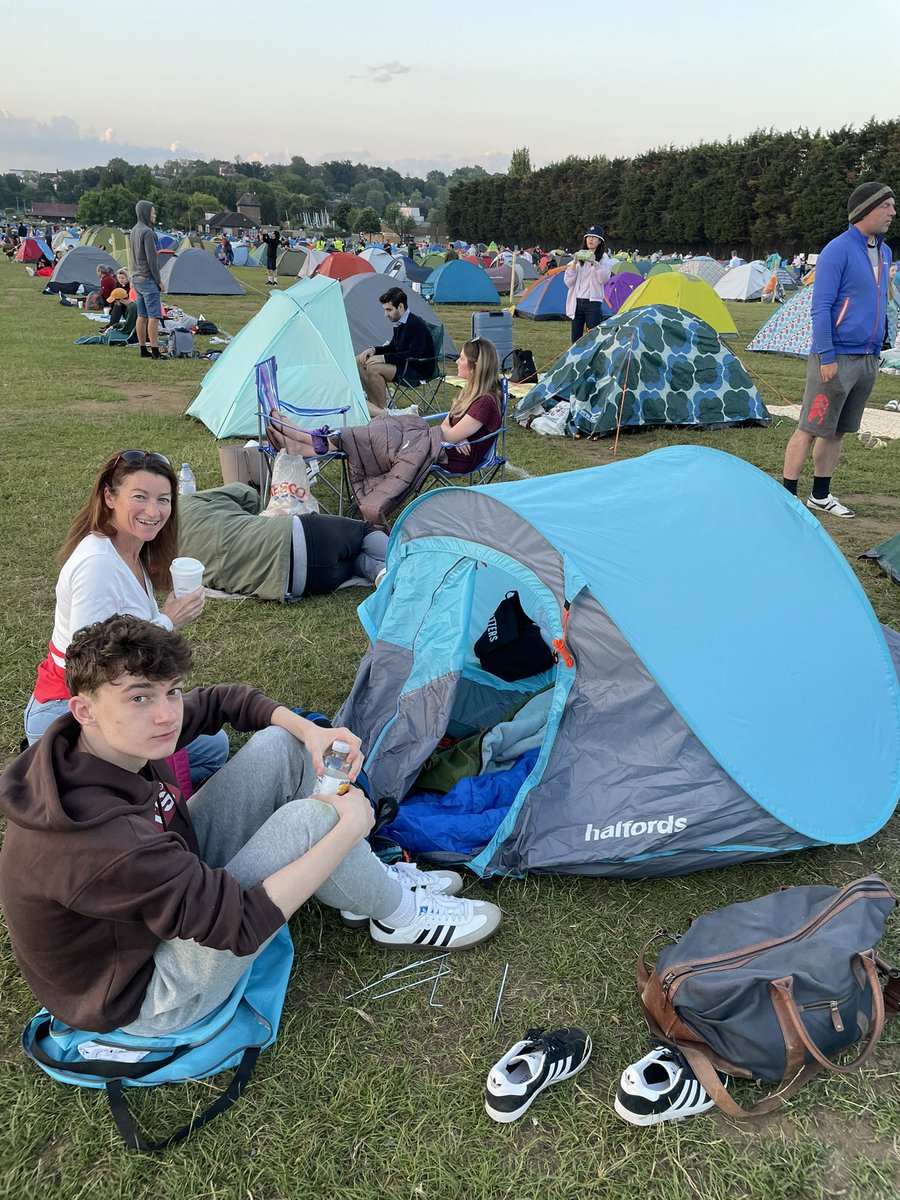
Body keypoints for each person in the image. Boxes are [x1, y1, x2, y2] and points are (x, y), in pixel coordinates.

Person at [0, 614, 502, 1038]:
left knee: (280, 747)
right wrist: (346, 829)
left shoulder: (90, 743)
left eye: (170, 692)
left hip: (164, 892)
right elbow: (238, 925)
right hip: (147, 994)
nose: (165, 716)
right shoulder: (100, 840)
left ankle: (363, 886)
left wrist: (311, 731)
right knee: (315, 818)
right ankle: (399, 914)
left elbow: (223, 700)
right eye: (138, 698)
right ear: (83, 709)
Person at [23, 450, 228, 787]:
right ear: (109, 497)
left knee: (213, 747)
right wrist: (168, 621)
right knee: (149, 769)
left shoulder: (131, 550)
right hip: (74, 708)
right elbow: (90, 663)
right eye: (140, 497)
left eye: (163, 499)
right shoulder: (98, 566)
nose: (153, 511)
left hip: (123, 693)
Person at [782, 182, 895, 517]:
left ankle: (820, 494)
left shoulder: (885, 251)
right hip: (835, 357)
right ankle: (786, 498)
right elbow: (821, 306)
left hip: (868, 356)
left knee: (839, 430)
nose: (892, 212)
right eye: (886, 205)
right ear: (865, 210)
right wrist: (826, 355)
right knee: (811, 426)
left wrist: (880, 343)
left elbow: (881, 299)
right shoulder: (837, 249)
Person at [179, 483, 389, 599]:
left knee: (353, 562)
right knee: (364, 530)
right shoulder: (187, 501)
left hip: (299, 583)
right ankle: (406, 562)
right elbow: (247, 493)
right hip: (297, 535)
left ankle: (381, 573)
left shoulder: (163, 557)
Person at [355, 286, 435, 416]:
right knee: (360, 361)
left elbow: (414, 354)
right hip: (405, 364)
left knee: (374, 368)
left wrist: (384, 358)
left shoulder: (416, 324)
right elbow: (393, 347)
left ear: (401, 307)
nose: (385, 314)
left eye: (389, 310)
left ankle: (384, 411)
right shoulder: (400, 322)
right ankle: (376, 406)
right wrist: (373, 350)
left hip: (418, 368)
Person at [128, 199, 165, 359]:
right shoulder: (147, 232)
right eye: (153, 211)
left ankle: (143, 348)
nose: (155, 215)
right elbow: (152, 260)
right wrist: (159, 281)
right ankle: (156, 350)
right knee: (154, 316)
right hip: (148, 279)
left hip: (136, 278)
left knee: (141, 315)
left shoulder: (134, 230)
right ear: (145, 213)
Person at [564, 225, 613, 343]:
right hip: (577, 301)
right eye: (588, 237)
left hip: (593, 302)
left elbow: (604, 278)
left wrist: (595, 264)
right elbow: (568, 281)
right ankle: (575, 357)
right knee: (576, 335)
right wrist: (574, 263)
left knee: (593, 335)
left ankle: (592, 358)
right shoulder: (580, 255)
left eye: (594, 237)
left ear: (600, 241)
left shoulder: (603, 258)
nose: (590, 239)